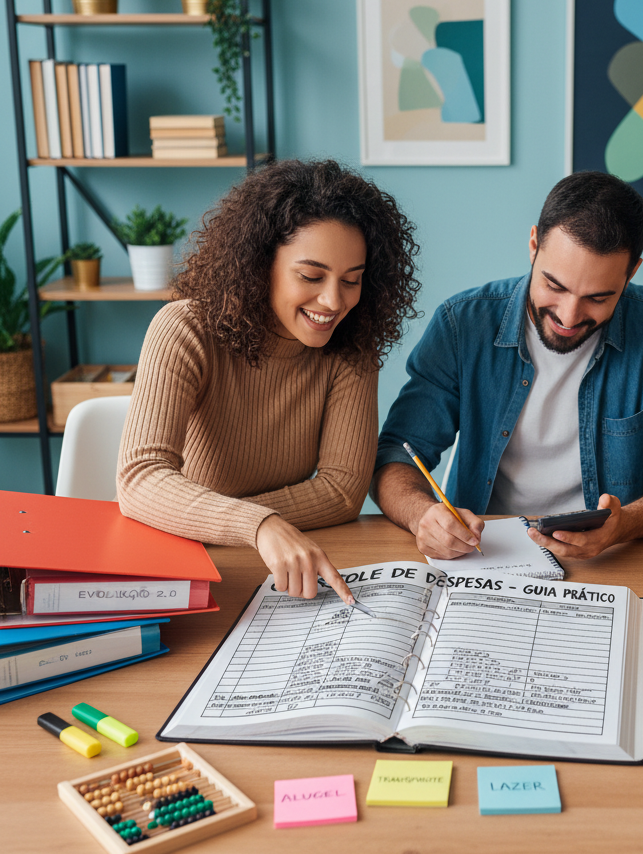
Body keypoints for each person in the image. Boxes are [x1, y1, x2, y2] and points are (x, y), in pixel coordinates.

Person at [372, 171, 643, 562]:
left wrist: (626, 524)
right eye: (554, 286)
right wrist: (423, 516)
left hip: (614, 557)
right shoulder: (462, 324)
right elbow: (396, 455)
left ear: (632, 272)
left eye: (598, 298)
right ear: (534, 244)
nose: (569, 316)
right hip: (482, 554)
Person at [117, 159, 420, 600]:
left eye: (352, 280)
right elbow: (140, 478)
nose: (334, 301)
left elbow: (341, 492)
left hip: (273, 559)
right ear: (260, 264)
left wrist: (261, 530)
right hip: (180, 557)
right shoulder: (184, 330)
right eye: (311, 276)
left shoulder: (351, 347)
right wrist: (257, 525)